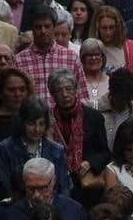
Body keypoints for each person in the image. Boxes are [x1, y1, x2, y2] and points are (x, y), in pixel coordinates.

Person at [47, 67, 111, 208]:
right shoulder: (48, 119)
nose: (65, 95)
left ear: (76, 90)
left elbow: (105, 153)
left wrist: (90, 163)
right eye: (59, 91)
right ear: (52, 94)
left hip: (86, 186)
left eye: (69, 89)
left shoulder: (93, 117)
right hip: (56, 184)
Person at [0, 95, 73, 203]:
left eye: (41, 124)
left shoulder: (57, 150)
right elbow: (4, 188)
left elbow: (64, 188)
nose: (37, 129)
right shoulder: (6, 148)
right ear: (22, 122)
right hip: (18, 208)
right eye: (31, 124)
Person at [14, 5, 91, 106]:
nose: (43, 31)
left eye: (47, 26)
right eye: (38, 27)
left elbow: (82, 96)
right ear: (32, 28)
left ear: (54, 27)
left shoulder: (71, 57)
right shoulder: (19, 60)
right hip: (33, 119)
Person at [99, 68, 133, 146]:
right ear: (111, 92)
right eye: (121, 99)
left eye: (128, 99)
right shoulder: (96, 111)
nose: (124, 103)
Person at [93, 5, 133, 76]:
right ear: (97, 28)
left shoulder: (129, 46)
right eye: (104, 28)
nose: (108, 32)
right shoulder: (91, 48)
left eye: (112, 27)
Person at [0, 67, 34, 152]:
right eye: (11, 90)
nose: (17, 94)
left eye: (22, 90)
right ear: (0, 92)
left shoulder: (32, 117)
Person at [78, 38, 110, 106]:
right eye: (89, 55)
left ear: (103, 57)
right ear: (83, 59)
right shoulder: (78, 83)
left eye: (97, 54)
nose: (94, 58)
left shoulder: (111, 82)